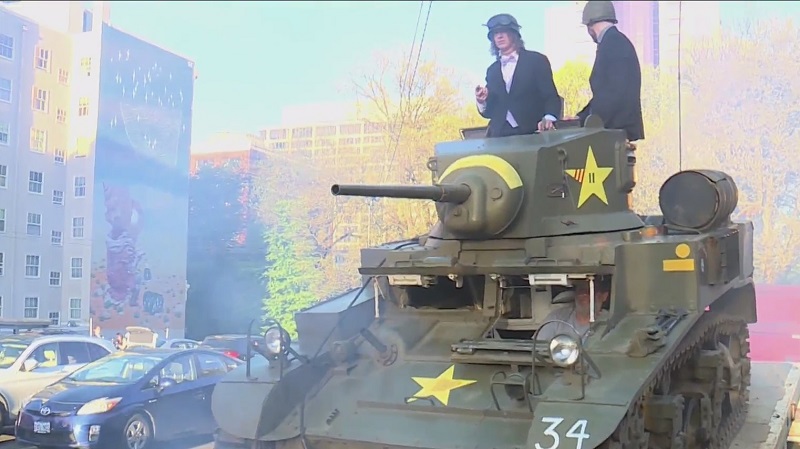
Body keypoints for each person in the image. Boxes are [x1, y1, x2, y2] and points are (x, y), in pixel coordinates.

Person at [475, 13, 562, 138]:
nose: (499, 36)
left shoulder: (536, 60)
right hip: (499, 136)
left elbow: (551, 96)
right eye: (495, 33)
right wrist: (482, 101)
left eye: (503, 31)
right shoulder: (492, 71)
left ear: (515, 34)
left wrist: (549, 118)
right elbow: (489, 112)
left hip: (532, 133)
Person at [572, 1, 644, 142]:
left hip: (613, 131)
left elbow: (612, 95)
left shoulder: (613, 44)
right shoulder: (615, 42)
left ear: (590, 25)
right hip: (613, 130)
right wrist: (579, 118)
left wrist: (589, 123)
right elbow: (606, 94)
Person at [534, 276, 611, 342]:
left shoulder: (611, 322)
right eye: (580, 289)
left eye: (590, 290)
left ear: (604, 296)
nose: (583, 294)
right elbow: (537, 349)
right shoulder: (557, 318)